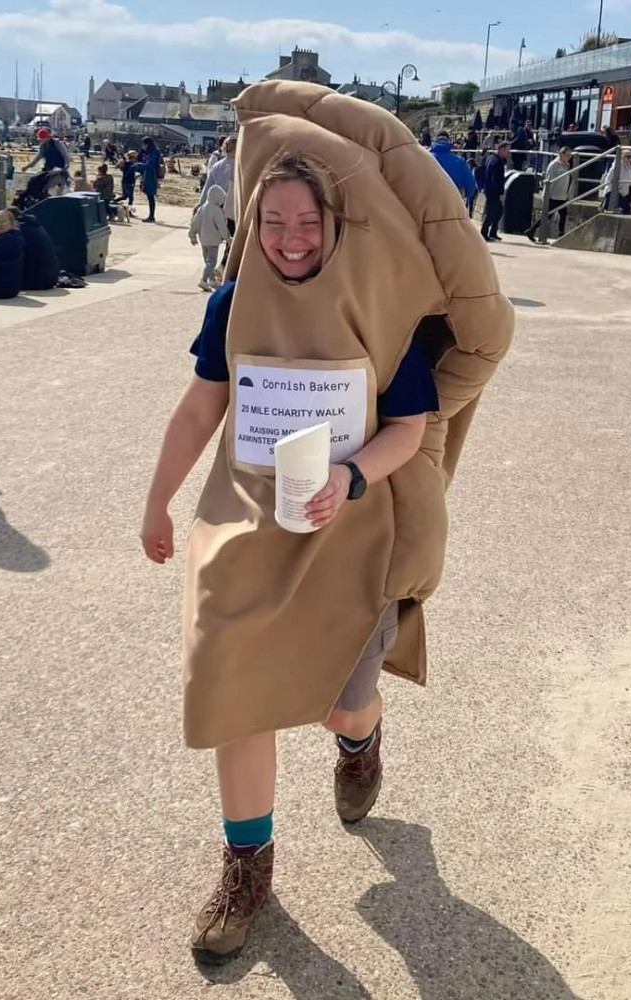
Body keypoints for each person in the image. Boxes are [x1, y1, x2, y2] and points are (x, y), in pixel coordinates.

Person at [141, 81, 513, 965]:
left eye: (307, 223)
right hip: (247, 523)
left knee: (341, 703)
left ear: (335, 226)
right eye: (274, 223)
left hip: (352, 530)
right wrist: (157, 499)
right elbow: (201, 408)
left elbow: (410, 426)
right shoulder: (232, 305)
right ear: (252, 225)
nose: (291, 239)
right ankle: (248, 866)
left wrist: (350, 478)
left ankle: (362, 740)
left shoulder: (382, 315)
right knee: (231, 681)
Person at [188, 184, 229, 291]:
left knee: (207, 261)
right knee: (212, 261)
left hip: (203, 240)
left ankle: (212, 279)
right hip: (213, 241)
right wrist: (228, 238)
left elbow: (195, 222)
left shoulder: (203, 208)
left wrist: (192, 235)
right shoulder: (217, 211)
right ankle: (204, 280)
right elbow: (222, 227)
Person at [526, 146, 572, 241]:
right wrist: (546, 195)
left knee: (563, 214)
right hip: (553, 195)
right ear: (561, 154)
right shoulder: (554, 164)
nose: (568, 158)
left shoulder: (566, 165)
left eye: (569, 156)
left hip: (562, 196)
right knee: (547, 216)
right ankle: (532, 230)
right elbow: (549, 180)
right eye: (567, 155)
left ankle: (561, 234)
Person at [9, 207, 59, 291]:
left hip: (36, 281)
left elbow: (9, 254)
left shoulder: (20, 230)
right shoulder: (35, 225)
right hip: (51, 278)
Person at [198, 135, 237, 239]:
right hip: (234, 208)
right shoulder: (241, 166)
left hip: (218, 206)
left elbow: (208, 188)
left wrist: (200, 205)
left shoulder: (217, 166)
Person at [429, 132, 477, 205]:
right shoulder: (459, 161)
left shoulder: (425, 159)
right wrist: (465, 195)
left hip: (430, 202)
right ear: (449, 142)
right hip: (453, 200)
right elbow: (470, 183)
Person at [479, 140, 509, 242]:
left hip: (488, 189)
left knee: (498, 211)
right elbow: (496, 179)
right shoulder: (497, 162)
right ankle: (484, 232)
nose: (508, 153)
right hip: (494, 192)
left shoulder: (490, 158)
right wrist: (500, 194)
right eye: (507, 150)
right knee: (492, 213)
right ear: (502, 149)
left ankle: (492, 232)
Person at [600, 149, 631, 214]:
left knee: (626, 207)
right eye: (627, 156)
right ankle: (606, 204)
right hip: (613, 191)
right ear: (621, 157)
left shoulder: (629, 167)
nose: (630, 159)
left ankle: (605, 205)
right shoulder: (615, 167)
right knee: (627, 208)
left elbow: (629, 180)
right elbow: (608, 179)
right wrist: (616, 187)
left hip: (622, 192)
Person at [138, 136, 161, 223]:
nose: (143, 146)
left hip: (151, 175)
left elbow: (150, 164)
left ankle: (151, 216)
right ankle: (151, 216)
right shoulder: (147, 152)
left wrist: (139, 165)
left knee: (150, 196)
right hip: (147, 175)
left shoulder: (153, 152)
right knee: (149, 195)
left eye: (144, 144)